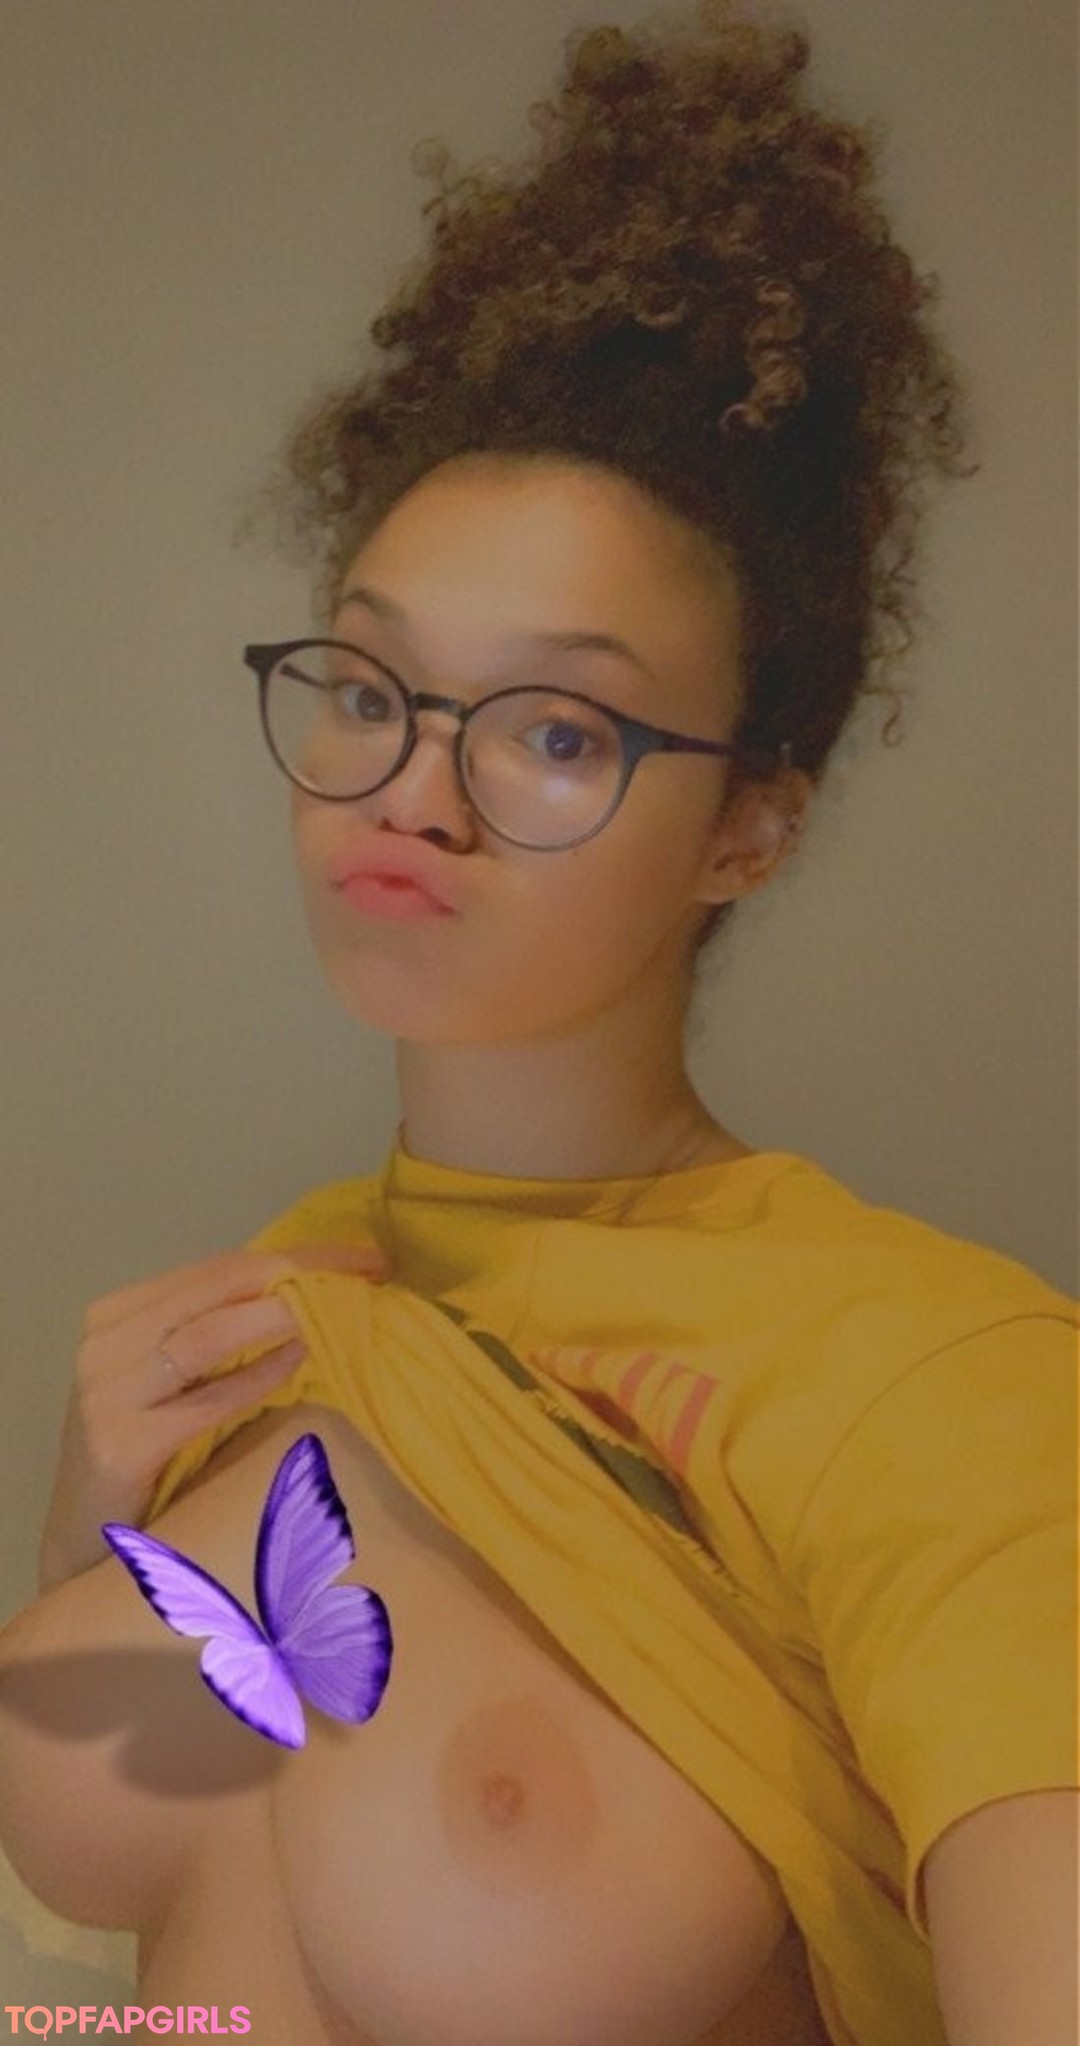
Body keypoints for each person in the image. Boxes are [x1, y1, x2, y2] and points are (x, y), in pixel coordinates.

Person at [0, 5, 1075, 2043]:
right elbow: (165, 1994)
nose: (417, 787)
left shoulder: (934, 1378)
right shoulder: (267, 1312)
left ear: (752, 823)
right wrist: (81, 1542)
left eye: (558, 730)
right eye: (373, 689)